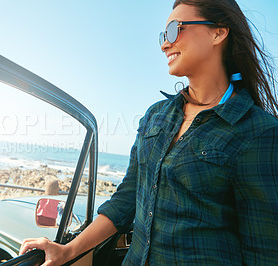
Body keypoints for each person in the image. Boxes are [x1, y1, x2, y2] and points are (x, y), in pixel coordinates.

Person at [20, 0, 278, 265]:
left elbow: (264, 251)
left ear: (218, 33)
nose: (165, 44)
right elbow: (125, 200)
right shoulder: (156, 116)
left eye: (174, 31)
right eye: (162, 37)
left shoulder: (257, 131)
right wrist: (68, 250)